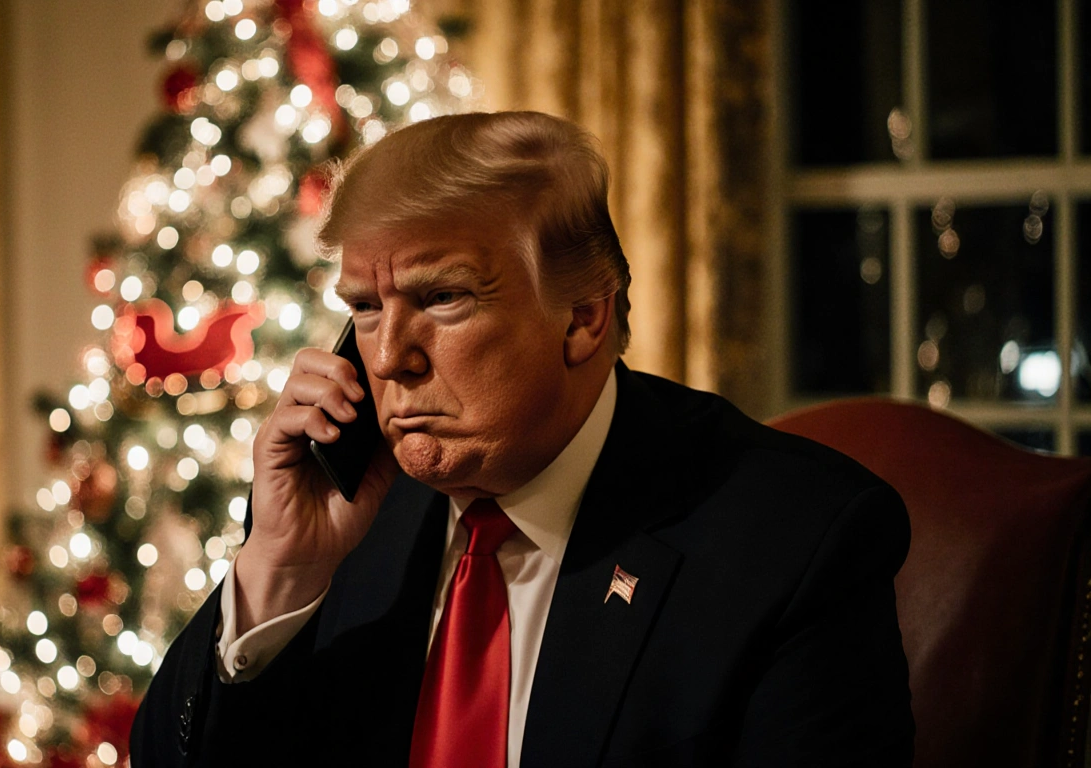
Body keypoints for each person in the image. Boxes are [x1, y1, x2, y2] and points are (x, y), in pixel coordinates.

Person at [130, 111, 914, 767]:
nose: (389, 358)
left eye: (442, 298)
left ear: (583, 317)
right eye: (366, 308)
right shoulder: (342, 510)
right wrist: (276, 572)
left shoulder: (795, 541)